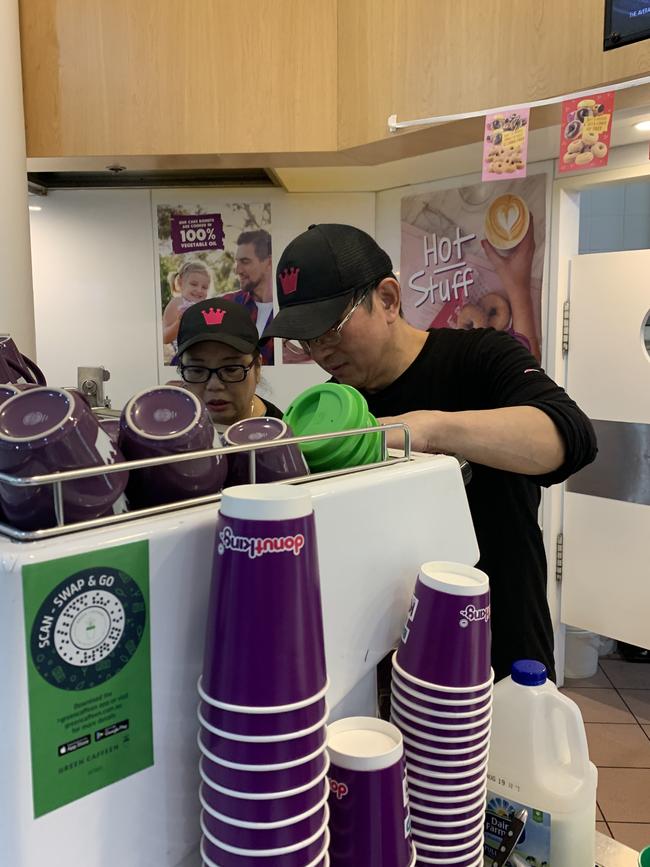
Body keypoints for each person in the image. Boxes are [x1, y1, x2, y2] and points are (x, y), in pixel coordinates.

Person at [263, 223, 598, 682]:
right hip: (382, 652)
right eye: (306, 338)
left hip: (499, 640)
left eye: (331, 328)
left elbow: (571, 438)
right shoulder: (332, 411)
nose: (321, 350)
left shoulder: (481, 357)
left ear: (387, 298)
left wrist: (430, 428)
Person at [176, 297, 282, 430]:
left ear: (257, 368)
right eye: (197, 370)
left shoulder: (281, 438)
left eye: (231, 369)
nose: (214, 385)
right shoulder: (168, 436)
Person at [222, 229, 275, 365]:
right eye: (237, 262)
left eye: (245, 262)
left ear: (269, 262)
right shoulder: (228, 305)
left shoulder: (290, 309)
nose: (237, 270)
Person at [162, 259, 211, 348]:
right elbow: (164, 338)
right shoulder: (177, 302)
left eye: (204, 287)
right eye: (193, 284)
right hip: (186, 355)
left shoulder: (206, 307)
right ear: (181, 283)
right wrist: (180, 322)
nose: (199, 290)